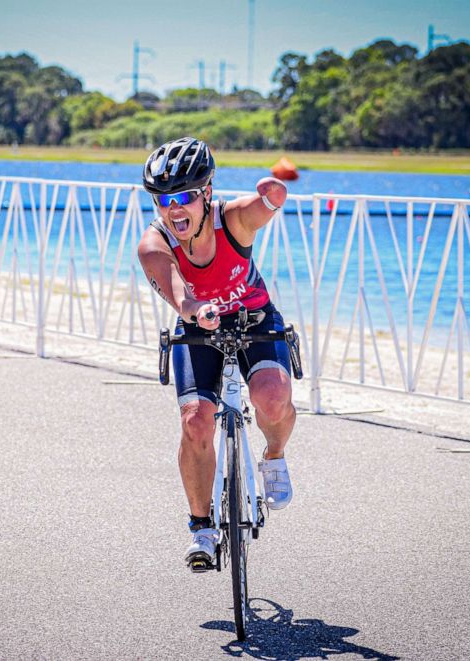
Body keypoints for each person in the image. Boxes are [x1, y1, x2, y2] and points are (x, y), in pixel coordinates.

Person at [136, 137, 297, 571]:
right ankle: (202, 528)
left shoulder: (232, 221)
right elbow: (177, 294)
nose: (174, 208)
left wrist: (271, 199)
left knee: (272, 397)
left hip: (255, 318)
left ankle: (275, 455)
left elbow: (256, 209)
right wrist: (195, 310)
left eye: (185, 196)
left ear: (207, 193)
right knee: (195, 422)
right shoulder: (154, 243)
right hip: (198, 324)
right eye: (163, 199)